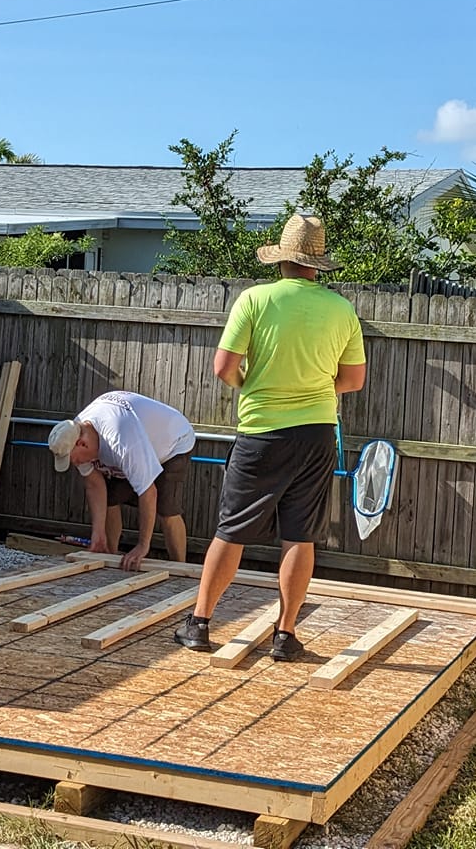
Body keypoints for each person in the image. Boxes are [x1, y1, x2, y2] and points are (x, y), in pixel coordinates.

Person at [176, 214, 365, 659]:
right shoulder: (342, 310)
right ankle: (285, 634)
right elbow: (353, 380)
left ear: (281, 259)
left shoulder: (255, 299)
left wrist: (252, 384)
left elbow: (224, 368)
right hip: (317, 433)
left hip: (261, 431)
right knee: (300, 534)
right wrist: (314, 389)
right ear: (317, 264)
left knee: (232, 530)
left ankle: (200, 624)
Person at [47, 390, 195, 571]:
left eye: (73, 459)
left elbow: (149, 492)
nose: (74, 464)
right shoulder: (74, 434)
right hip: (137, 439)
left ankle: (181, 569)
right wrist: (97, 533)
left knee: (166, 508)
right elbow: (94, 484)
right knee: (111, 497)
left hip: (173, 441)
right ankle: (108, 552)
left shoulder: (120, 440)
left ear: (82, 444)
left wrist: (142, 545)